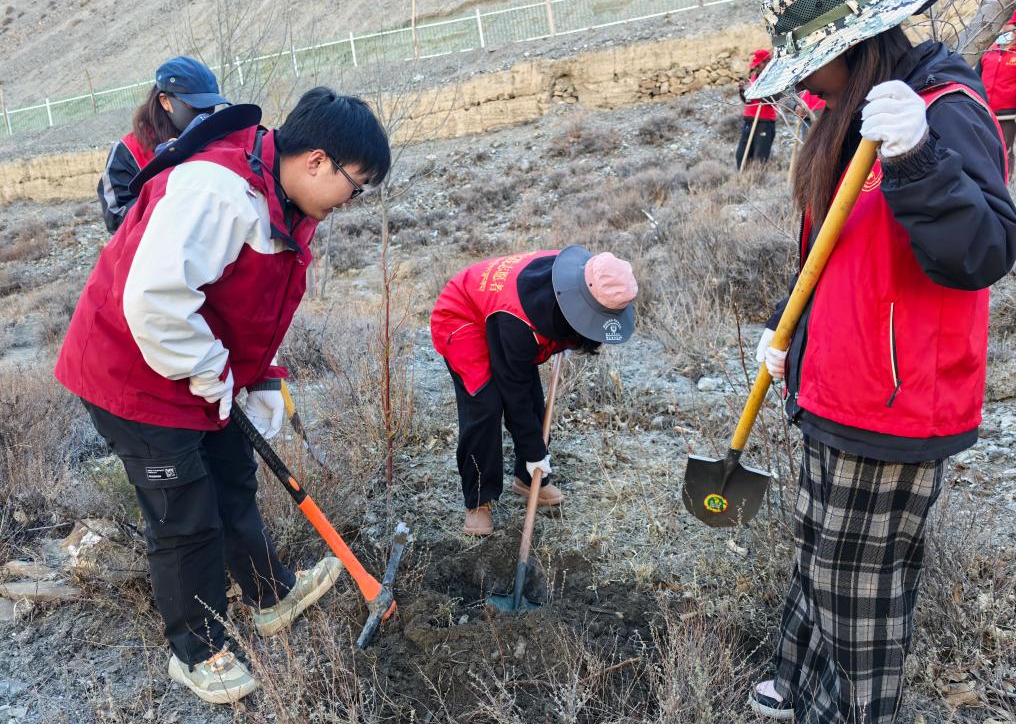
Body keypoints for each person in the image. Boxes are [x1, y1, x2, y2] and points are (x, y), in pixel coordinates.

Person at [742, 0, 1016, 721]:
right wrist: (786, 327)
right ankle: (798, 677)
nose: (806, 85)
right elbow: (835, 251)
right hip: (832, 380)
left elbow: (986, 251)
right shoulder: (852, 111)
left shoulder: (940, 107)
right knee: (820, 547)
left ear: (853, 47)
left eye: (811, 66)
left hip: (895, 398)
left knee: (857, 580)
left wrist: (919, 158)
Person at [55, 87, 391, 705]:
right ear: (317, 161)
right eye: (356, 185)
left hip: (190, 367)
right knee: (185, 513)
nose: (352, 201)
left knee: (232, 476)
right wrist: (214, 375)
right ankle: (197, 649)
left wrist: (257, 378)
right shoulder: (217, 193)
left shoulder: (283, 199)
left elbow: (247, 307)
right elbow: (154, 302)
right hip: (130, 373)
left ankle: (268, 594)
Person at [431, 247, 638, 536]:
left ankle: (529, 480)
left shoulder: (592, 279)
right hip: (462, 314)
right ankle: (478, 500)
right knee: (486, 405)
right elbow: (513, 393)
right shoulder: (519, 322)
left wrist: (568, 338)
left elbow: (525, 389)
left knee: (532, 398)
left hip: (502, 316)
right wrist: (534, 452)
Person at [97, 56, 229, 234]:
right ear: (165, 101)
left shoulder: (219, 139)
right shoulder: (129, 151)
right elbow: (115, 217)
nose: (205, 114)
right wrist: (170, 192)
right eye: (195, 106)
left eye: (210, 106)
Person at [976, 10, 1016, 178]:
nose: (1003, 29)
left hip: (1008, 113)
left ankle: (1005, 185)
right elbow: (974, 79)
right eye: (1001, 25)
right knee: (982, 149)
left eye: (1007, 25)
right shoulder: (987, 50)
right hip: (984, 110)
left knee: (1004, 150)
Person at [737, 49, 777, 168]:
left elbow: (774, 100)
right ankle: (743, 178)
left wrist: (760, 92)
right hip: (749, 121)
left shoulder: (773, 78)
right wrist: (742, 91)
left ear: (766, 62)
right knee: (741, 156)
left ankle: (756, 179)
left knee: (759, 159)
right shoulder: (754, 77)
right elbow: (748, 100)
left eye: (758, 64)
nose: (756, 67)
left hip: (764, 122)